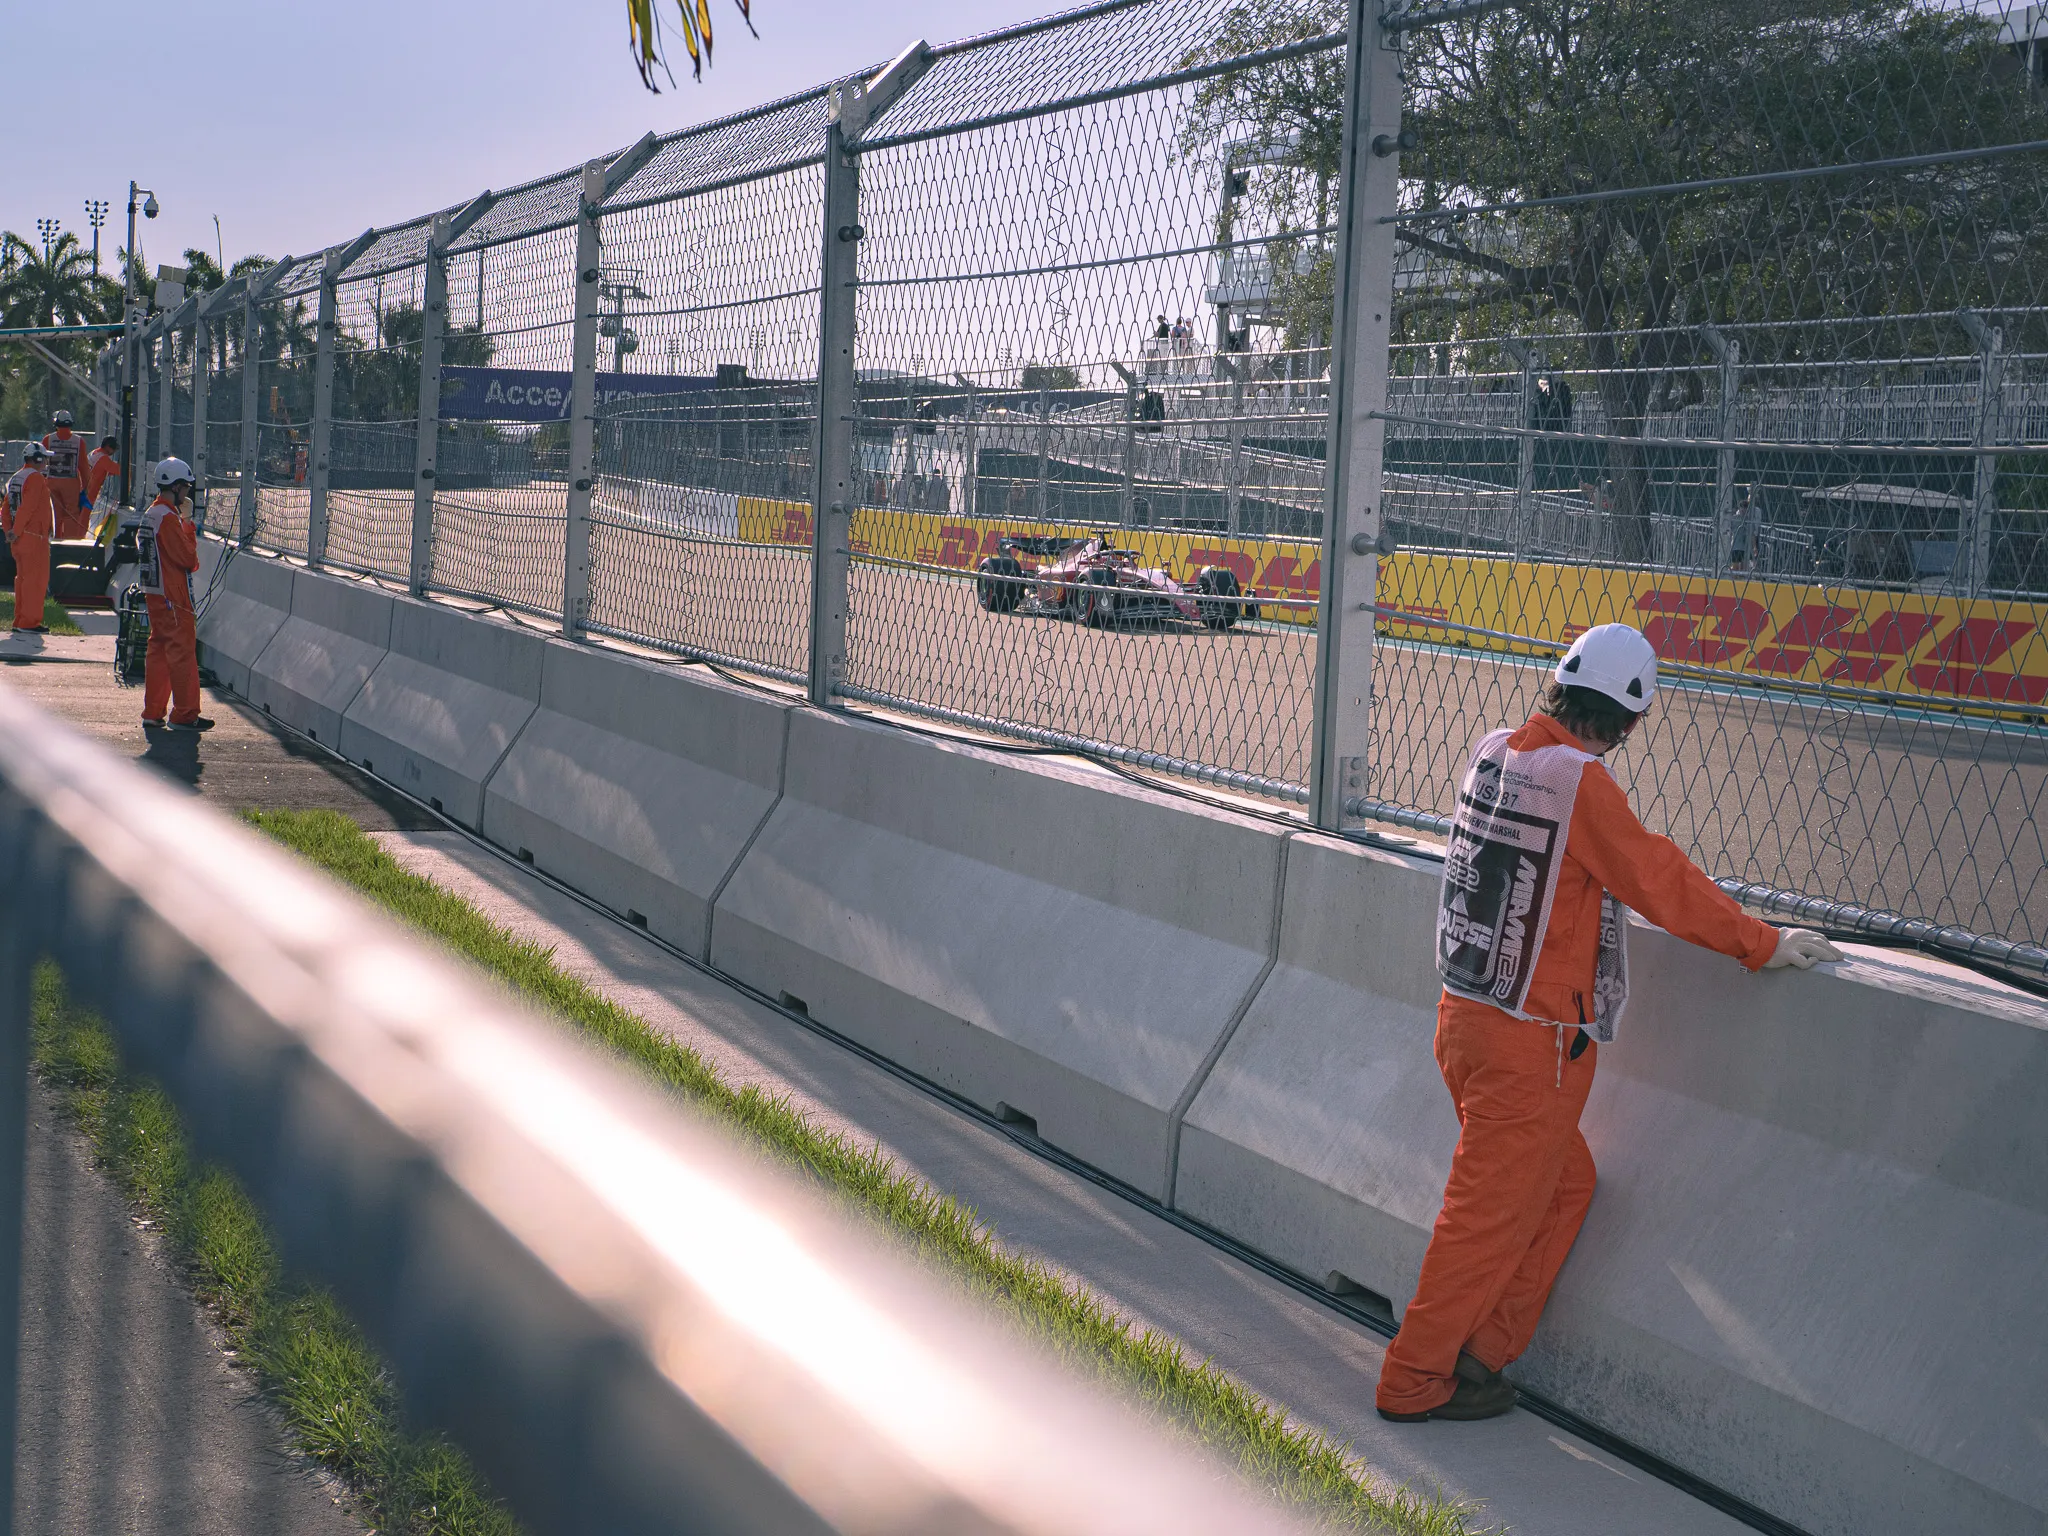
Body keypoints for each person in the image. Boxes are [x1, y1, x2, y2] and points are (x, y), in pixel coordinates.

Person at [1375, 623, 1842, 1423]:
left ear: (1561, 684)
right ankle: (1413, 1380)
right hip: (1531, 1048)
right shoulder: (1580, 782)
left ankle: (1483, 1354)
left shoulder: (1496, 750)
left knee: (1564, 1187)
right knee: (1483, 1220)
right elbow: (1657, 877)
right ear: (1630, 720)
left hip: (1465, 1020)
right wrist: (1759, 943)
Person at [138, 457, 212, 732]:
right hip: (173, 595)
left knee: (158, 650)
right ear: (177, 486)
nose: (188, 493)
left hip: (155, 592)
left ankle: (153, 711)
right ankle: (184, 714)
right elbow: (188, 559)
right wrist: (189, 523)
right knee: (182, 652)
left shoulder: (151, 514)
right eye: (187, 488)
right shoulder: (168, 518)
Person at [6, 443, 54, 634]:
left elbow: (5, 508)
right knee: (36, 581)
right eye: (45, 458)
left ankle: (20, 619)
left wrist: (10, 532)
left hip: (19, 540)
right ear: (38, 459)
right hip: (33, 538)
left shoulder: (16, 477)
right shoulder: (35, 479)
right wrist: (16, 531)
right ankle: (29, 623)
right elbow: (28, 507)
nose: (47, 462)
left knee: (23, 580)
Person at [40, 410, 92, 541]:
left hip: (51, 481)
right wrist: (86, 486)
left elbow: (41, 463)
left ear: (56, 424)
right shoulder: (78, 441)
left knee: (55, 512)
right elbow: (83, 466)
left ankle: (56, 539)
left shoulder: (48, 439)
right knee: (71, 514)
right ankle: (70, 541)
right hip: (71, 482)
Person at [84, 435, 121, 527]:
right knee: (83, 517)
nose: (114, 452)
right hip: (89, 492)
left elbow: (102, 470)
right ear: (108, 447)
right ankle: (79, 537)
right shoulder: (103, 458)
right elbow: (119, 470)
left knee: (82, 515)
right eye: (114, 449)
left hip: (84, 489)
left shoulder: (95, 452)